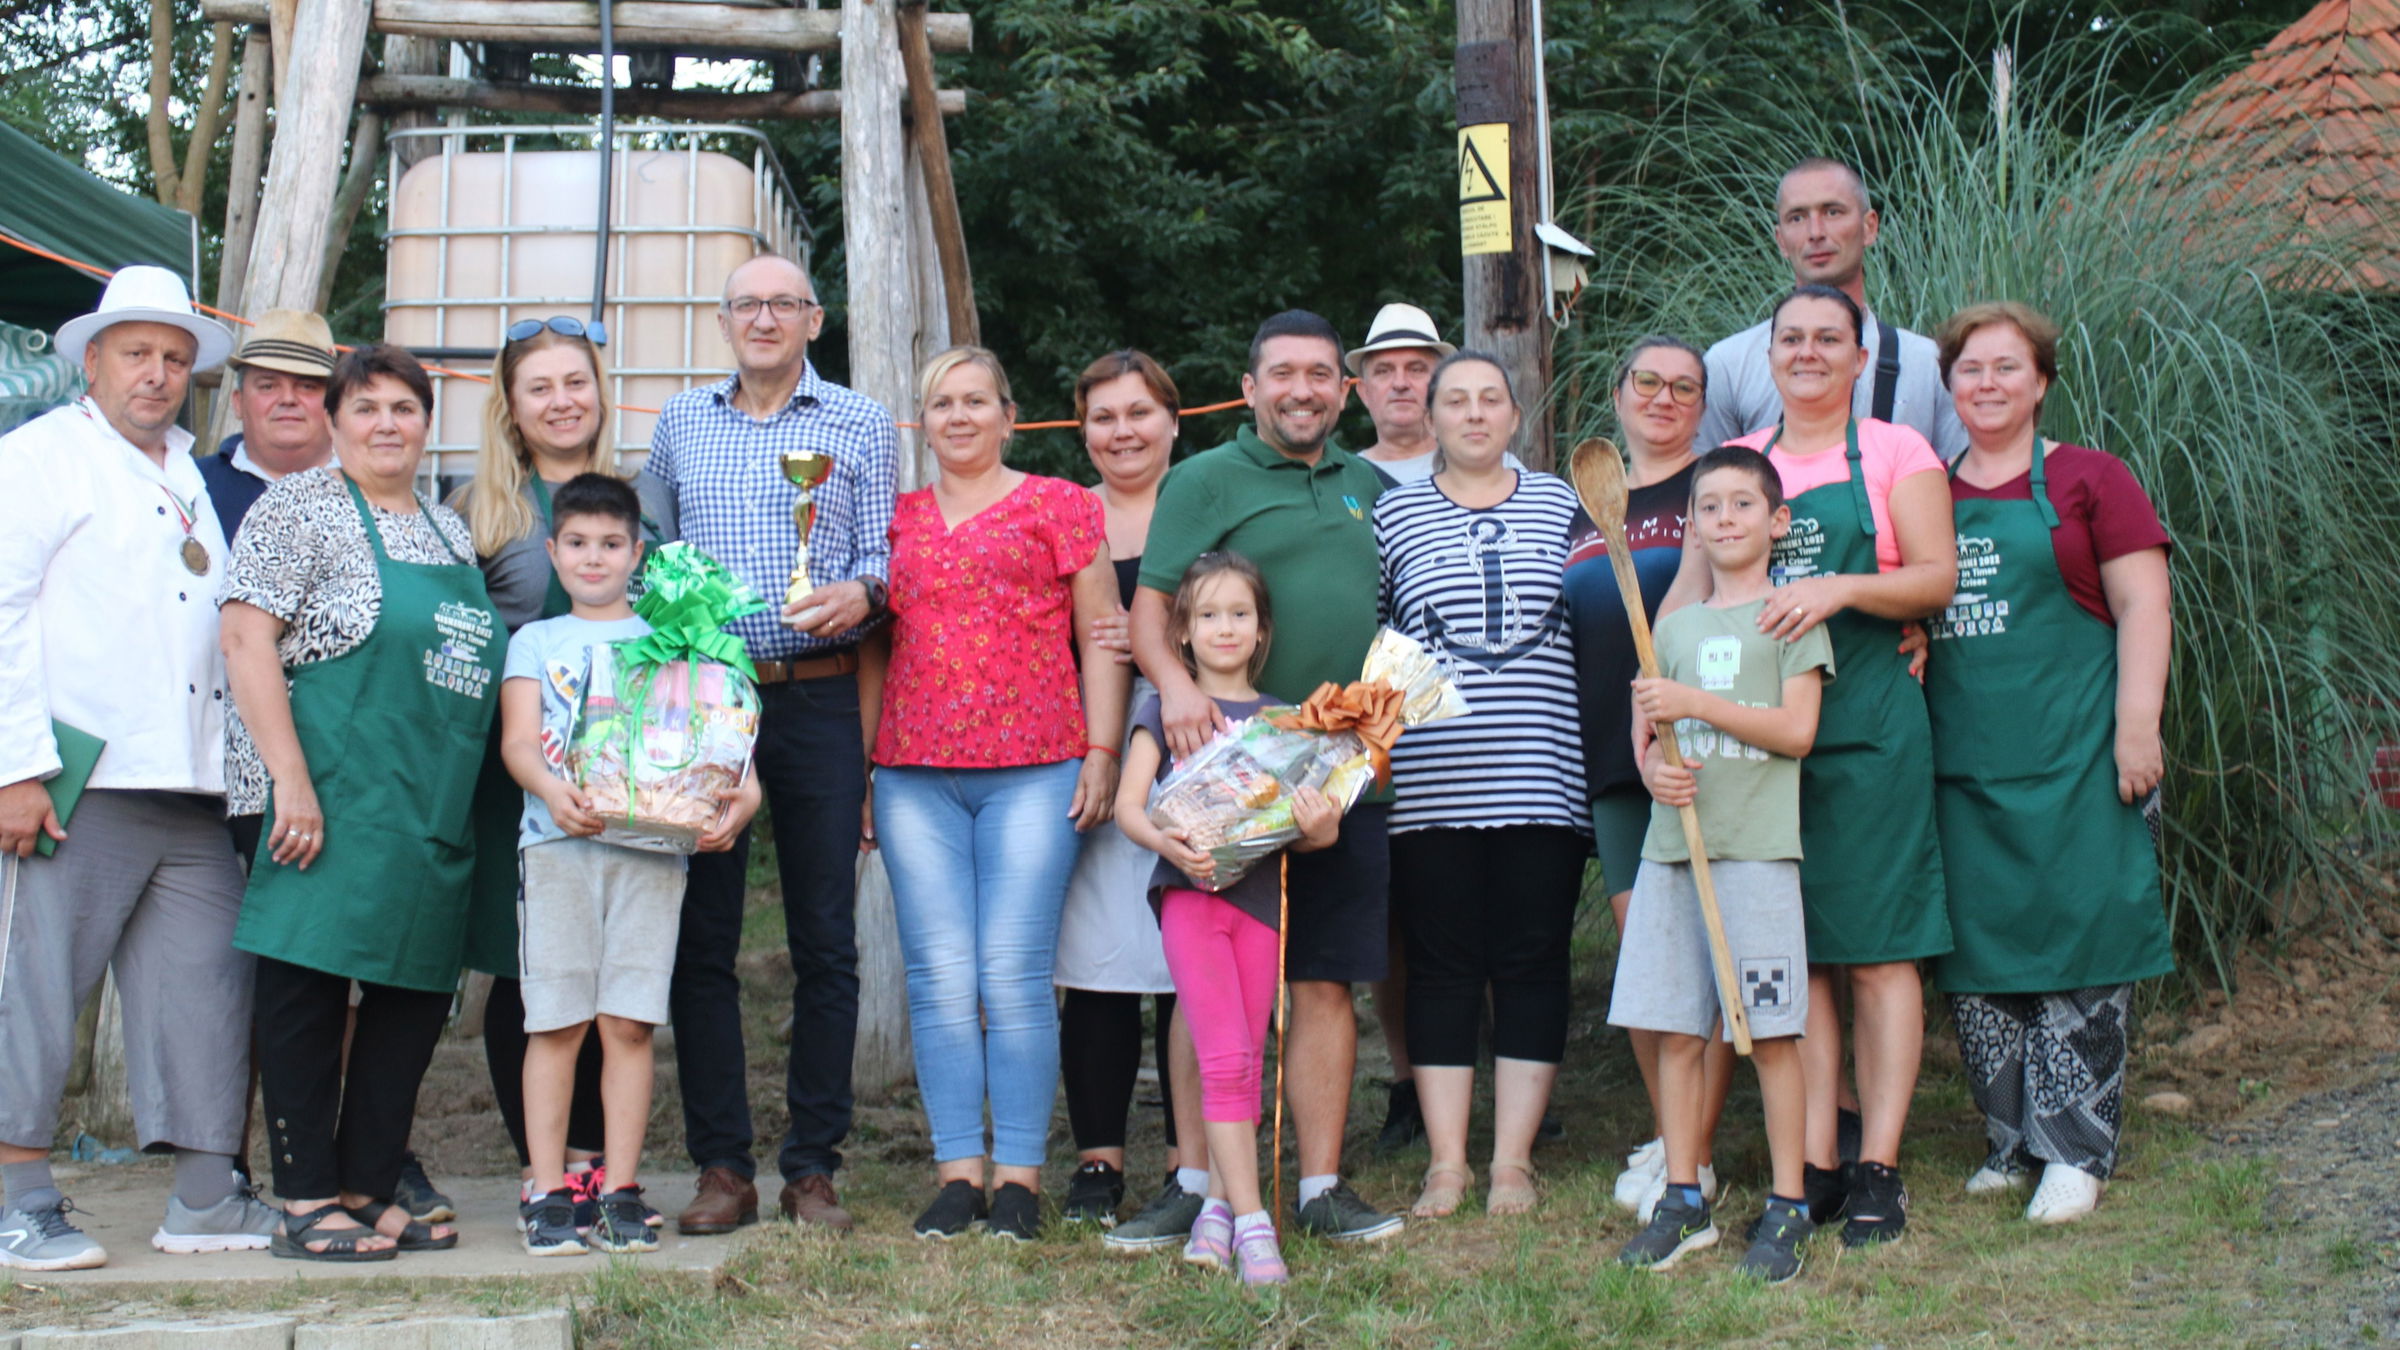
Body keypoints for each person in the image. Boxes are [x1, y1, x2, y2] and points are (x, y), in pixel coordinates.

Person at [0, 265, 277, 1270]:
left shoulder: (194, 473)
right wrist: (14, 767)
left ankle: (207, 1196)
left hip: (193, 780)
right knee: (34, 985)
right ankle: (18, 1196)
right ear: (93, 360)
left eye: (173, 357)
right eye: (137, 354)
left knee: (208, 984)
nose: (157, 374)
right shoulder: (37, 459)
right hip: (76, 773)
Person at [220, 342, 498, 1261]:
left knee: (409, 994)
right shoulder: (295, 507)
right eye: (367, 407)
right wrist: (290, 780)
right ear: (336, 422)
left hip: (424, 801)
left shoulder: (446, 528)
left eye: (404, 409)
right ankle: (304, 1198)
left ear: (427, 425)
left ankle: (366, 1181)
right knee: (306, 985)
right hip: (319, 790)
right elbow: (246, 639)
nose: (386, 424)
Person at [1131, 309, 1404, 1243]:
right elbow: (1150, 611)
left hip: (1337, 779)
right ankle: (1195, 1179)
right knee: (1204, 987)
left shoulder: (1371, 483)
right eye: (1283, 373)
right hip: (1229, 772)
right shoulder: (1204, 480)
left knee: (1325, 979)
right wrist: (1172, 690)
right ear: (1249, 390)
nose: (1303, 390)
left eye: (1321, 375)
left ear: (1345, 389)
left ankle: (1321, 1187)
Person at [638, 254, 896, 1236]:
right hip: (705, 701)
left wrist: (865, 593)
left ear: (813, 320)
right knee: (701, 938)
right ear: (724, 319)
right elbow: (648, 554)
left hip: (821, 697)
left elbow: (885, 555)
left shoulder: (861, 424)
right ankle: (720, 1166)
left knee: (824, 941)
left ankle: (813, 1166)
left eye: (782, 304)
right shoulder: (678, 427)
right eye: (746, 304)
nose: (763, 318)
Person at [871, 345, 1129, 1242]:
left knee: (1012, 976)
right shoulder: (897, 517)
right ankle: (956, 1173)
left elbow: (1104, 636)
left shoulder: (1062, 504)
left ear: (1010, 415)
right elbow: (877, 644)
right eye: (942, 402)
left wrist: (1101, 748)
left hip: (1037, 762)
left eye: (976, 400)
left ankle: (1018, 1176)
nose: (959, 416)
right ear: (924, 420)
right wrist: (870, 766)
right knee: (940, 979)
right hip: (914, 773)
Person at [1720, 284, 1957, 1247]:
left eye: (1830, 339)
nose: (1809, 352)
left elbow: (1934, 577)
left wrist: (1841, 589)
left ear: (1862, 360)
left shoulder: (1899, 452)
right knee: (1801, 953)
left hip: (1871, 726)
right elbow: (1705, 597)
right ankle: (1815, 1161)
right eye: (1791, 339)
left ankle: (1881, 1167)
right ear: (1767, 357)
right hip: (1771, 743)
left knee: (1881, 951)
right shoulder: (1744, 464)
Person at [1926, 302, 2173, 1224]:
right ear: (1948, 384)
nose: (1987, 384)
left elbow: (2145, 603)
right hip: (1964, 762)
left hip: (2077, 752)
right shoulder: (1927, 490)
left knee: (2082, 942)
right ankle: (2011, 1138)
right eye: (1970, 370)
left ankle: (2076, 1150)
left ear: (2041, 382)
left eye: (2006, 368)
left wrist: (2136, 725)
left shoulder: (2090, 478)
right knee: (1982, 954)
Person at [501, 473, 762, 1256]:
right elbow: (517, 743)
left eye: (610, 544)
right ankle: (548, 1191)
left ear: (637, 554)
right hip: (558, 850)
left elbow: (731, 753)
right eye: (577, 543)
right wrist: (553, 789)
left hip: (652, 856)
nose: (593, 558)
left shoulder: (679, 639)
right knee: (556, 1020)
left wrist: (738, 807)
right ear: (552, 551)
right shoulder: (537, 641)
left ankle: (619, 1188)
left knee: (629, 1022)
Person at [451, 316, 659, 1226]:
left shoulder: (645, 503)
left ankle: (594, 1163)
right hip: (519, 774)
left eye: (576, 382)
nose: (561, 400)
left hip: (626, 786)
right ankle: (545, 1165)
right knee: (526, 970)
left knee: (615, 985)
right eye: (540, 386)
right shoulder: (477, 510)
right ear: (512, 405)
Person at [1609, 445, 1833, 1283]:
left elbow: (1797, 732)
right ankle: (1682, 1196)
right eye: (1711, 508)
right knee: (1676, 1030)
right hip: (1674, 853)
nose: (1727, 519)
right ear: (1694, 527)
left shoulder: (1789, 618)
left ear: (1776, 522)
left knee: (1770, 1034)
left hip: (1756, 855)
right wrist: (1654, 771)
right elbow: (1649, 745)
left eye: (1744, 505)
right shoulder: (1670, 627)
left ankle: (1786, 1205)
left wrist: (1696, 704)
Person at [1373, 352, 1588, 1219]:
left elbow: (1595, 621)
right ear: (1431, 417)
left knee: (1533, 964)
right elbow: (1382, 641)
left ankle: (1512, 1164)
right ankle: (1449, 1164)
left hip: (1544, 774)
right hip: (1431, 787)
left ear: (1514, 413)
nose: (1472, 414)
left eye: (1488, 399)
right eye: (1453, 401)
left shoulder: (1563, 505)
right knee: (1441, 969)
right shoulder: (1393, 517)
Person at [1115, 552, 1336, 1288]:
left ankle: (1214, 1209)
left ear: (1262, 629)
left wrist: (1322, 826)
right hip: (1189, 901)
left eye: (1240, 614)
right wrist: (1164, 839)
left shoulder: (1282, 720)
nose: (1225, 628)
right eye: (1208, 615)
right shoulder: (1164, 709)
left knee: (1247, 1046)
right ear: (1181, 632)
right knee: (1223, 1057)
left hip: (1258, 908)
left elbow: (1303, 831)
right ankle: (1253, 1221)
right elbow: (1128, 808)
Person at [1560, 336, 1731, 1218]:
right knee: (1646, 956)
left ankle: (1691, 1154)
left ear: (1703, 401)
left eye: (1685, 387)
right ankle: (1674, 1133)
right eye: (1648, 383)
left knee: (1706, 946)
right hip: (1610, 755)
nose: (1664, 399)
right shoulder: (1582, 501)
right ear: (1619, 395)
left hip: (1700, 753)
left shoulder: (1721, 484)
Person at [1344, 301, 1513, 1153]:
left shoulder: (1503, 469)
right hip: (1395, 735)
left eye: (1419, 368)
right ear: (1361, 386)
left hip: (1499, 736)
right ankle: (1412, 1084)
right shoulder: (1350, 482)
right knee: (1403, 924)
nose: (1403, 383)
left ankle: (1504, 1078)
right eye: (1386, 369)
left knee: (1490, 918)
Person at [1054, 350, 1188, 1229]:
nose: (1123, 431)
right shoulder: (1065, 518)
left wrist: (1150, 636)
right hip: (1093, 759)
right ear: (1081, 431)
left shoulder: (1206, 506)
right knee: (1098, 967)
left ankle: (1191, 1158)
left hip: (1193, 753)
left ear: (1174, 421)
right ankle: (1099, 1160)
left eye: (1139, 413)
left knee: (1190, 961)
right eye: (1104, 417)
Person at [1694, 158, 1969, 461]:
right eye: (1797, 218)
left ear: (1870, 227)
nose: (1816, 232)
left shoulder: (1928, 365)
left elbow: (1960, 487)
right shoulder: (1729, 365)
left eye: (1833, 212)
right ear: (1781, 240)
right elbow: (1702, 490)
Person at [199, 307, 336, 540]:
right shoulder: (192, 488)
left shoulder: (374, 492)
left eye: (307, 386)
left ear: (335, 403)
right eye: (268, 386)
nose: (288, 399)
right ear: (238, 402)